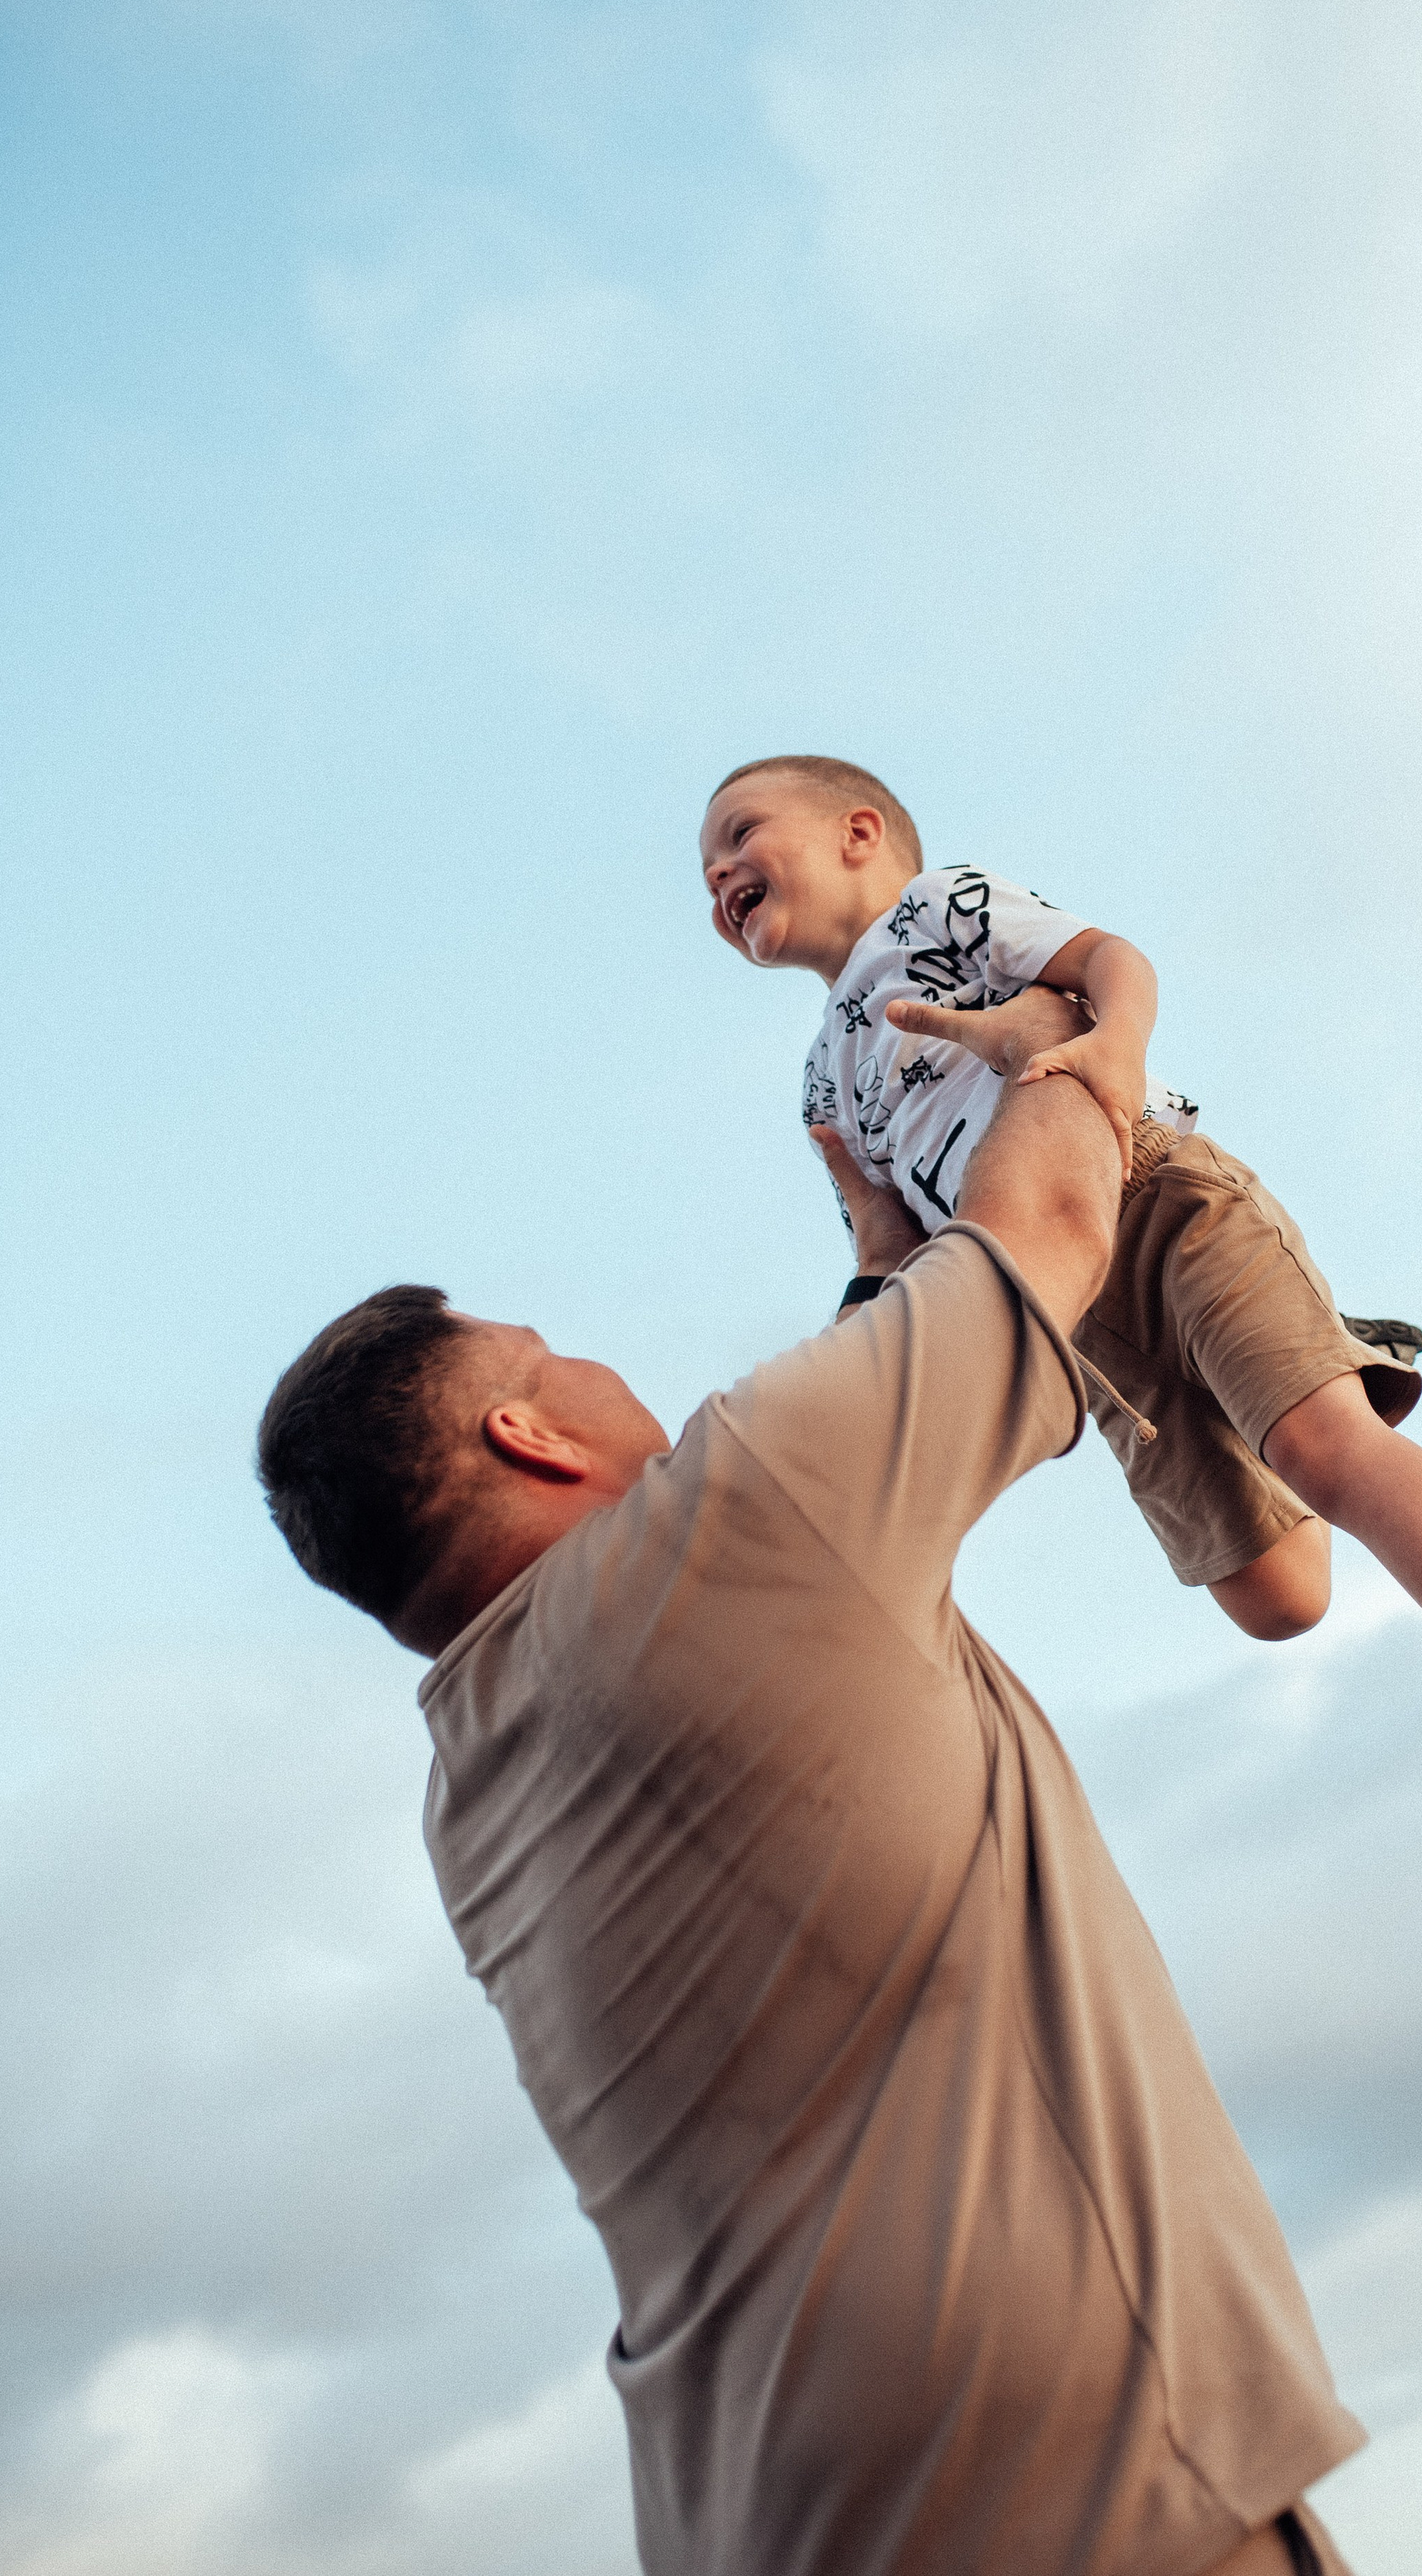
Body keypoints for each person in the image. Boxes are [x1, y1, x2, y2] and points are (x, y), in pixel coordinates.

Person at [258, 998, 1363, 2576]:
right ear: (526, 1432)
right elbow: (1049, 1214)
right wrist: (1078, 1021)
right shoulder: (729, 1526)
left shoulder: (475, 1789)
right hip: (1074, 2501)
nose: (593, 1365)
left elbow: (818, 1575)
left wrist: (876, 1268)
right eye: (552, 1356)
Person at [698, 754, 1422, 1934]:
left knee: (1328, 1450)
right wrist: (868, 1335)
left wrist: (1113, 1042)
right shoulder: (822, 1079)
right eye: (703, 874)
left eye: (739, 834)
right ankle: (1304, 1345)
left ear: (860, 832)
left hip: (1152, 1191)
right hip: (1079, 1323)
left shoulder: (941, 906)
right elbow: (890, 1239)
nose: (716, 875)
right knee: (1276, 1598)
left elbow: (1111, 961)